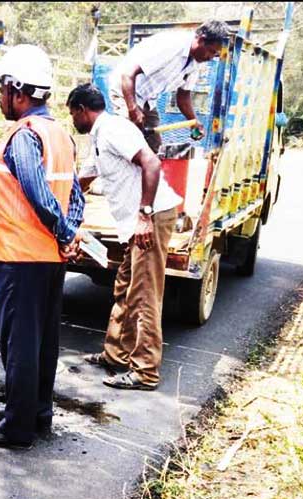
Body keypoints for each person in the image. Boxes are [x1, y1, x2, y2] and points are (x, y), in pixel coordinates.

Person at [0, 44, 85, 450]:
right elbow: (75, 194)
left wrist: (66, 233)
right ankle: (37, 415)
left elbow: (38, 193)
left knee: (18, 344)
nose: (0, 99)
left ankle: (15, 429)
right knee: (42, 342)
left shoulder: (23, 136)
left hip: (19, 257)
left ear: (19, 92)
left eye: (2, 91)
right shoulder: (60, 135)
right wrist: (69, 232)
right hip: (48, 259)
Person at [68, 83, 181, 391]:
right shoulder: (99, 136)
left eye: (72, 114)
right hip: (135, 224)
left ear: (81, 110)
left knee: (144, 296)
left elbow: (152, 162)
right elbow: (85, 178)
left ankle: (145, 372)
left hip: (151, 219)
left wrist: (145, 214)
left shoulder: (114, 129)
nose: (72, 121)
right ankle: (116, 354)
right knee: (124, 288)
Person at [108, 20, 230, 152]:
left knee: (154, 147)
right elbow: (127, 74)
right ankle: (95, 168)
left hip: (148, 99)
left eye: (215, 54)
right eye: (211, 51)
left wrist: (194, 122)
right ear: (201, 39)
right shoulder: (171, 45)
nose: (211, 58)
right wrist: (132, 109)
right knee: (129, 144)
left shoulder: (195, 62)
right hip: (125, 90)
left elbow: (183, 97)